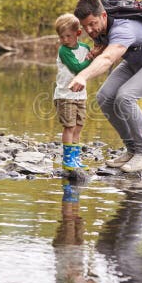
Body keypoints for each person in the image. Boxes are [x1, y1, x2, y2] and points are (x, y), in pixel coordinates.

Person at [70, 0, 142, 173]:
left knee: (125, 97)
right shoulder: (102, 26)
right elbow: (105, 49)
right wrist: (99, 48)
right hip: (136, 62)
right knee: (104, 97)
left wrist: (83, 76)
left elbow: (108, 58)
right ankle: (132, 150)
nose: (89, 30)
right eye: (85, 26)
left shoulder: (123, 28)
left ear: (103, 16)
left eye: (92, 23)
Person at [53, 13, 91, 170]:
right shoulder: (64, 51)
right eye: (62, 37)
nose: (65, 40)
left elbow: (92, 67)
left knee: (79, 125)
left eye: (68, 36)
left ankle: (75, 158)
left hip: (80, 95)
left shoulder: (85, 48)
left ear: (78, 33)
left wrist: (94, 54)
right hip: (65, 96)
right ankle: (67, 159)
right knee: (69, 126)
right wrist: (91, 58)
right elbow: (77, 68)